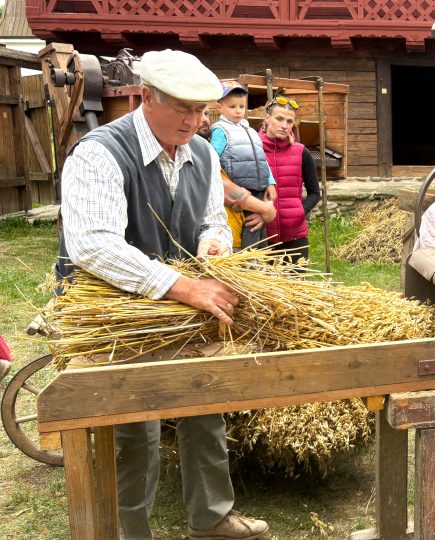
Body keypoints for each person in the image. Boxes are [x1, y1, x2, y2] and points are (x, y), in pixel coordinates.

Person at [58, 49, 268, 539]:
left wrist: (213, 245)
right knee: (133, 426)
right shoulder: (100, 152)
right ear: (146, 97)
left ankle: (212, 517)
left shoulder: (203, 152)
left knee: (203, 399)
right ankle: (129, 530)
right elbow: (93, 244)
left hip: (181, 302)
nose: (194, 121)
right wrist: (180, 284)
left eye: (202, 112)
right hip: (118, 307)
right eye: (182, 109)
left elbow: (212, 219)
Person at [210, 80, 277, 249]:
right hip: (240, 190)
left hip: (259, 189)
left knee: (260, 232)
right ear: (220, 108)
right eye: (232, 107)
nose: (238, 111)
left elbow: (262, 158)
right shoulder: (220, 130)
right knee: (248, 230)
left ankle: (258, 266)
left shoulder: (250, 131)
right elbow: (211, 158)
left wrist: (270, 182)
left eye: (242, 106)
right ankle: (247, 265)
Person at [259, 96, 322, 264]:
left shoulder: (301, 152)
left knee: (296, 288)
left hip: (296, 237)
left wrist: (300, 212)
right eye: (279, 119)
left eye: (289, 121)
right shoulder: (253, 148)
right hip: (262, 235)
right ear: (267, 118)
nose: (284, 125)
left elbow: (315, 193)